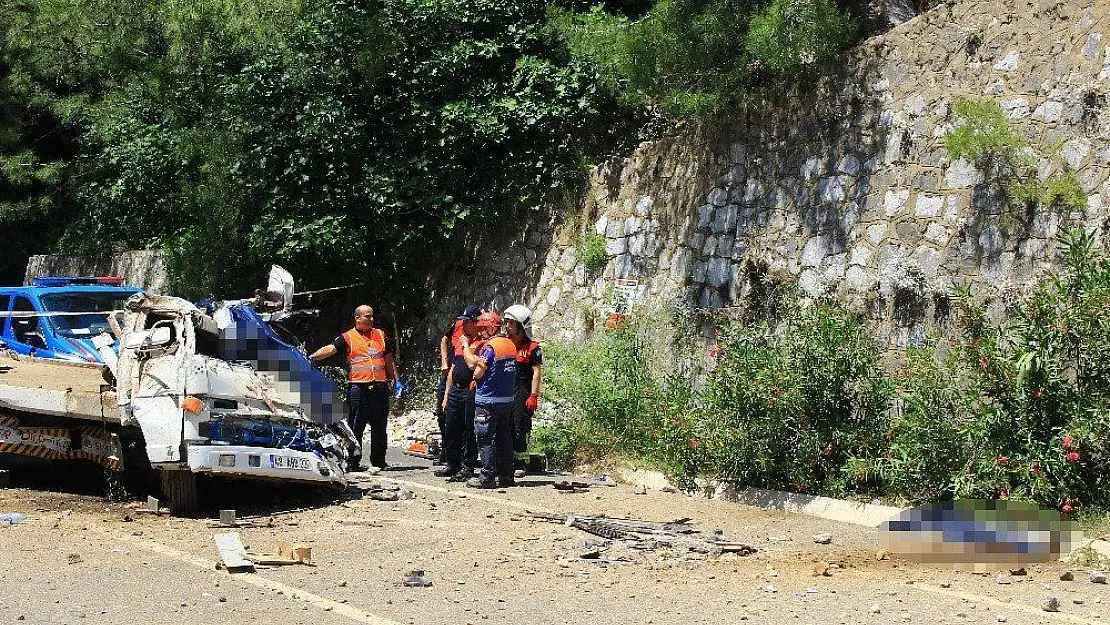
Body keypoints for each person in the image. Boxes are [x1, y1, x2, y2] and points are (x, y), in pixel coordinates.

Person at [309, 305, 398, 472]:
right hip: (359, 389)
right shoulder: (348, 337)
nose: (371, 319)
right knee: (356, 427)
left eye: (372, 316)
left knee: (380, 427)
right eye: (367, 316)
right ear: (357, 318)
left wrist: (396, 379)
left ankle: (379, 461)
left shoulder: (380, 334)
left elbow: (388, 358)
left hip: (380, 388)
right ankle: (353, 461)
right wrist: (311, 358)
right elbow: (330, 349)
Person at [434, 309, 487, 481]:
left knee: (469, 430)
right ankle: (452, 463)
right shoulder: (459, 341)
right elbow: (453, 369)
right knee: (451, 427)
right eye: (462, 322)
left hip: (470, 389)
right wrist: (446, 395)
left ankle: (468, 466)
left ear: (474, 323)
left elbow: (473, 365)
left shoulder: (482, 343)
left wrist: (466, 346)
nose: (463, 325)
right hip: (455, 389)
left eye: (467, 322)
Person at [468, 313, 519, 489]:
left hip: (487, 400)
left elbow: (478, 372)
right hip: (506, 401)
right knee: (504, 438)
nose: (480, 332)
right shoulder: (510, 345)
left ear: (492, 328)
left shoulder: (490, 347)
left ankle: (487, 477)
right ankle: (506, 475)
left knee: (485, 438)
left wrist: (475, 375)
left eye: (483, 329)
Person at [502, 305, 541, 478]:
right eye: (506, 322)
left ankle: (519, 463)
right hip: (504, 389)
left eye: (511, 323)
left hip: (522, 389)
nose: (507, 326)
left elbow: (536, 372)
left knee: (518, 426)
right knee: (503, 424)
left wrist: (533, 395)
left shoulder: (533, 347)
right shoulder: (504, 343)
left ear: (521, 326)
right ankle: (503, 460)